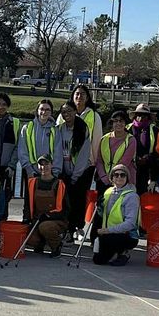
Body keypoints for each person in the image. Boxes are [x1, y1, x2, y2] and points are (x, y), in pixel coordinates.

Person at [92, 164, 141, 266]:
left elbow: (130, 224)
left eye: (123, 175)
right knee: (98, 260)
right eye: (116, 175)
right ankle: (114, 251)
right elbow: (103, 215)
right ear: (112, 178)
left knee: (108, 240)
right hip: (109, 233)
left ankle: (123, 253)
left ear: (127, 178)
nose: (119, 177)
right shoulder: (108, 192)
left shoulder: (131, 196)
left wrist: (108, 231)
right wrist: (100, 208)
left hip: (127, 235)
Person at [22, 154, 67, 257]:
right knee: (28, 237)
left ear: (52, 165)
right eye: (41, 164)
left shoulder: (59, 184)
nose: (44, 167)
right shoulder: (32, 182)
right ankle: (40, 242)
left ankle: (56, 246)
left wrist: (48, 216)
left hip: (55, 220)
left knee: (45, 227)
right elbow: (27, 205)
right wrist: (26, 220)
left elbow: (65, 209)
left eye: (47, 164)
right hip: (37, 220)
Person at [57, 100, 91, 235]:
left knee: (77, 202)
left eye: (69, 111)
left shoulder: (83, 129)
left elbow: (84, 155)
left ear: (75, 111)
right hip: (64, 172)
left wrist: (75, 176)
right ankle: (66, 230)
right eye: (64, 112)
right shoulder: (60, 129)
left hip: (80, 173)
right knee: (65, 204)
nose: (66, 114)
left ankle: (76, 228)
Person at [70, 84, 103, 199]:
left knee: (81, 195)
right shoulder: (63, 115)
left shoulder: (94, 116)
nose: (79, 97)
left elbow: (97, 140)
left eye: (83, 94)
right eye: (77, 94)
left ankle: (81, 217)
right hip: (67, 162)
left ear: (87, 97)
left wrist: (94, 162)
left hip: (87, 164)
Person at [94, 110, 136, 191]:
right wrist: (103, 177)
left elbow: (124, 162)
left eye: (121, 121)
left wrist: (113, 177)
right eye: (115, 121)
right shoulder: (104, 138)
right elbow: (99, 160)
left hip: (123, 179)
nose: (118, 123)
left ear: (125, 123)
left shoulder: (131, 140)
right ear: (112, 123)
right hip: (104, 180)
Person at [18, 99, 59, 179]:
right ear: (37, 111)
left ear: (51, 112)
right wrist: (29, 169)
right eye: (42, 109)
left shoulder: (55, 130)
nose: (44, 112)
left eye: (47, 110)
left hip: (50, 174)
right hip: (31, 173)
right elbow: (22, 150)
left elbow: (58, 153)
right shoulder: (27, 128)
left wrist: (55, 173)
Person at [129, 103, 157, 193]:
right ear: (135, 116)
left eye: (144, 115)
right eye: (139, 115)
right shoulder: (127, 129)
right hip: (129, 168)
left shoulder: (155, 131)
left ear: (148, 117)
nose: (141, 118)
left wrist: (147, 157)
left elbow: (158, 152)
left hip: (146, 170)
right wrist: (134, 157)